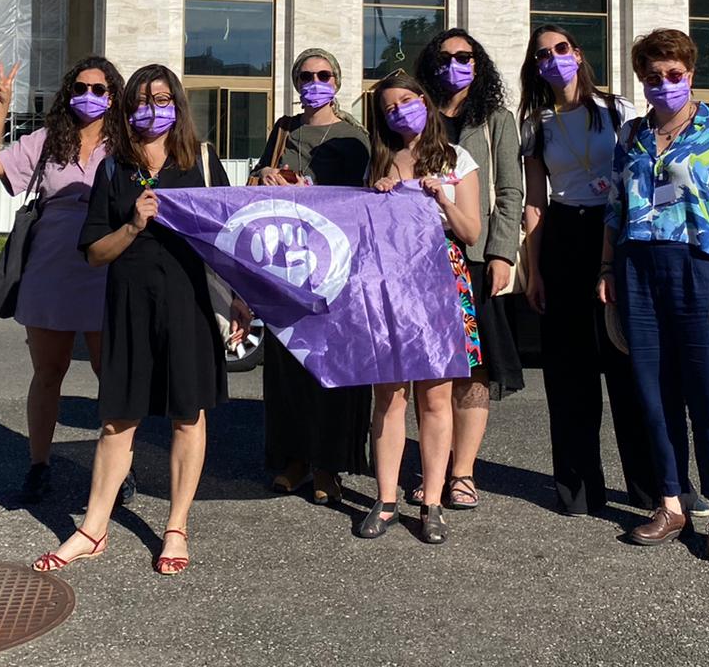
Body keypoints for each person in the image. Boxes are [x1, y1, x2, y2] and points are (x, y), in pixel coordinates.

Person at [33, 64, 251, 576]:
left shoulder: (200, 160)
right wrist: (133, 224)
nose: (150, 110)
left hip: (189, 305)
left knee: (187, 415)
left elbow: (227, 238)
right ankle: (92, 528)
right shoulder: (114, 167)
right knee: (116, 418)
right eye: (140, 101)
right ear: (126, 109)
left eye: (161, 99)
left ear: (177, 103)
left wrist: (241, 297)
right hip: (128, 305)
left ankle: (176, 525)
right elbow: (94, 253)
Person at [599, 28, 709, 562]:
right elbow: (615, 212)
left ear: (690, 74)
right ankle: (670, 503)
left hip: (700, 269)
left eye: (674, 75)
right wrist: (606, 267)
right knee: (653, 396)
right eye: (653, 77)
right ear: (641, 80)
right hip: (638, 270)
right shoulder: (630, 138)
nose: (664, 84)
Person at [0, 56, 130, 507]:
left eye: (100, 90)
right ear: (68, 92)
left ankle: (120, 467)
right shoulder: (46, 141)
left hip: (107, 268)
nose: (90, 96)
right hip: (51, 269)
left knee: (111, 376)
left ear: (114, 96)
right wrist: (2, 107)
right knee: (48, 374)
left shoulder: (126, 144)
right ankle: (39, 465)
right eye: (81, 87)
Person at [518, 24, 661, 517]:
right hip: (563, 236)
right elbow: (535, 200)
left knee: (628, 364)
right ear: (536, 67)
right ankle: (578, 489)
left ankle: (652, 488)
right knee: (569, 373)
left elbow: (637, 175)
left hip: (616, 233)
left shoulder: (617, 111)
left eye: (561, 49)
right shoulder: (536, 123)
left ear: (578, 55)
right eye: (543, 54)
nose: (553, 59)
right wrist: (534, 271)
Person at [357, 70, 483, 546]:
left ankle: (431, 500)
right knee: (388, 395)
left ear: (425, 102)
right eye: (389, 108)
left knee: (435, 397)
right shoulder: (380, 161)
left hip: (441, 280)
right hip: (388, 284)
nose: (400, 111)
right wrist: (380, 194)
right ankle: (385, 498)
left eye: (407, 101)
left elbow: (471, 232)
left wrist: (443, 197)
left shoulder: (457, 158)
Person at [250, 48, 372, 505]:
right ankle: (293, 459)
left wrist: (316, 192)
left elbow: (363, 200)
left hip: (336, 266)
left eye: (323, 75)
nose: (314, 82)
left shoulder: (356, 137)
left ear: (336, 82)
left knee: (335, 369)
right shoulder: (284, 130)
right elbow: (259, 183)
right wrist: (265, 174)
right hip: (286, 266)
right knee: (288, 369)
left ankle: (329, 466)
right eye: (306, 76)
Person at [409, 28, 523, 512]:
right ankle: (433, 466)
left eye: (464, 57)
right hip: (416, 259)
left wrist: (502, 253)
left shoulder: (495, 118)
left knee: (475, 369)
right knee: (430, 368)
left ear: (478, 66)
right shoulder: (418, 114)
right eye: (445, 57)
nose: (454, 64)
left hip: (473, 257)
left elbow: (512, 191)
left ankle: (463, 473)